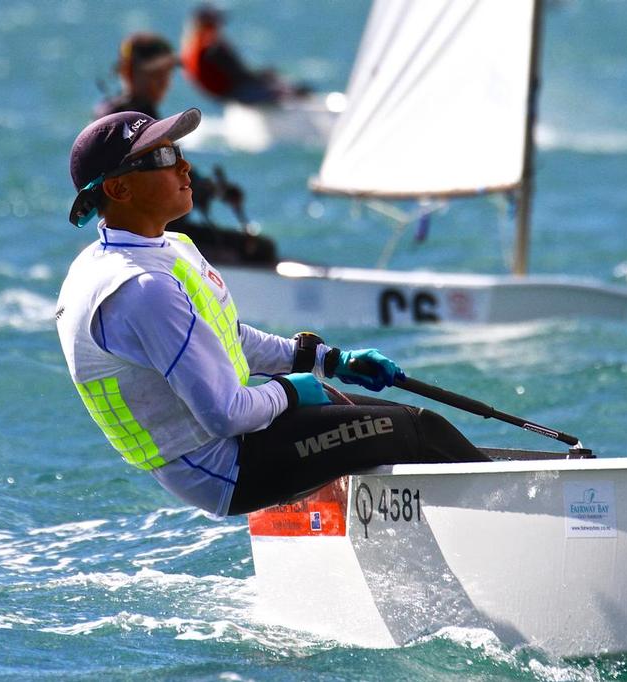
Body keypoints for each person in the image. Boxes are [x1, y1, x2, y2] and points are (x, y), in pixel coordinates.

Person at [56, 108, 490, 517]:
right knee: (416, 432)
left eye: (179, 152)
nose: (184, 167)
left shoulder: (169, 249)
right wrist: (291, 392)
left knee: (398, 425)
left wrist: (328, 361)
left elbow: (231, 338)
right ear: (118, 189)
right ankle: (507, 513)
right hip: (225, 468)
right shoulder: (140, 290)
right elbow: (224, 414)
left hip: (239, 442)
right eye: (163, 157)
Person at [93, 32, 274, 266]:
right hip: (148, 235)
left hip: (156, 229)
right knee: (260, 250)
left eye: (167, 74)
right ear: (128, 73)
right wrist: (207, 189)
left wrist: (214, 189)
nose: (164, 82)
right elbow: (147, 180)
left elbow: (162, 170)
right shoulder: (122, 123)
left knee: (259, 248)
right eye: (155, 75)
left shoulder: (139, 114)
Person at [181, 4, 311, 105]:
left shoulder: (191, 47)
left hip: (226, 93)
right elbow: (239, 76)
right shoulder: (210, 48)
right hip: (237, 92)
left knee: (269, 77)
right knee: (283, 89)